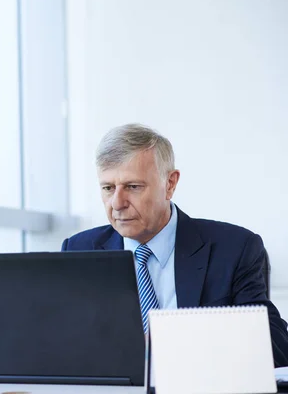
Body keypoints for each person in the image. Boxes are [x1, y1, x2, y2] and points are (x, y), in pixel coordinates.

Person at [61, 123, 288, 367]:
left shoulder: (234, 249)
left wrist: (179, 341)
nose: (117, 203)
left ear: (170, 184)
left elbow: (275, 350)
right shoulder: (79, 250)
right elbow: (61, 344)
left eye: (133, 187)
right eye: (108, 188)